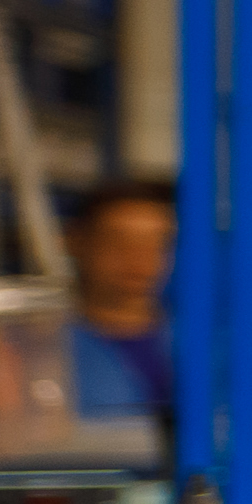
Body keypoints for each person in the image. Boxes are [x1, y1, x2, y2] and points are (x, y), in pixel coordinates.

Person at [65, 179, 179, 422]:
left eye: (157, 243)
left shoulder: (206, 344)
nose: (139, 258)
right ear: (76, 242)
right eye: (118, 241)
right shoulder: (42, 350)